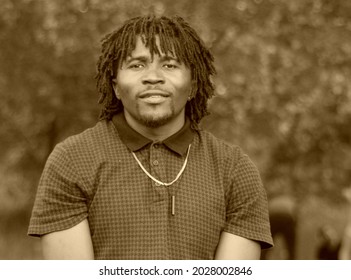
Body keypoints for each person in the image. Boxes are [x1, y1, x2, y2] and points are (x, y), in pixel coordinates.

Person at [28, 15, 273, 260]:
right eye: (136, 65)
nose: (152, 77)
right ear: (115, 86)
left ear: (193, 86)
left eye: (170, 65)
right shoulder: (72, 160)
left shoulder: (235, 170)